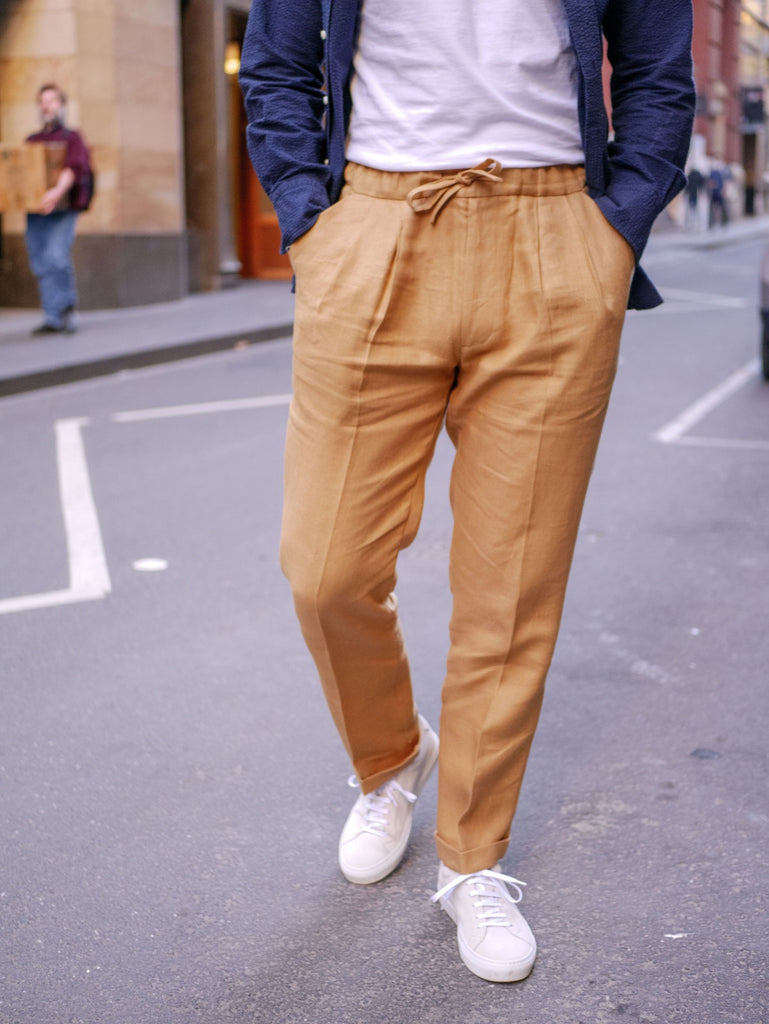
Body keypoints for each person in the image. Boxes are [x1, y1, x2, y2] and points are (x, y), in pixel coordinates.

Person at [240, 0, 695, 984]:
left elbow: (657, 73)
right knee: (324, 567)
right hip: (372, 228)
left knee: (512, 587)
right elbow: (277, 65)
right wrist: (312, 220)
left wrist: (612, 233)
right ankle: (391, 755)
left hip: (555, 235)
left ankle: (471, 859)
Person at [25, 83, 89, 335]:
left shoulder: (72, 138)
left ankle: (64, 309)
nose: (47, 105)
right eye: (43, 101)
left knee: (56, 256)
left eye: (52, 101)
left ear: (61, 106)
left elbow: (73, 169)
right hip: (36, 211)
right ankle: (51, 316)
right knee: (40, 260)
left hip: (62, 210)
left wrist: (56, 193)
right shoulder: (33, 140)